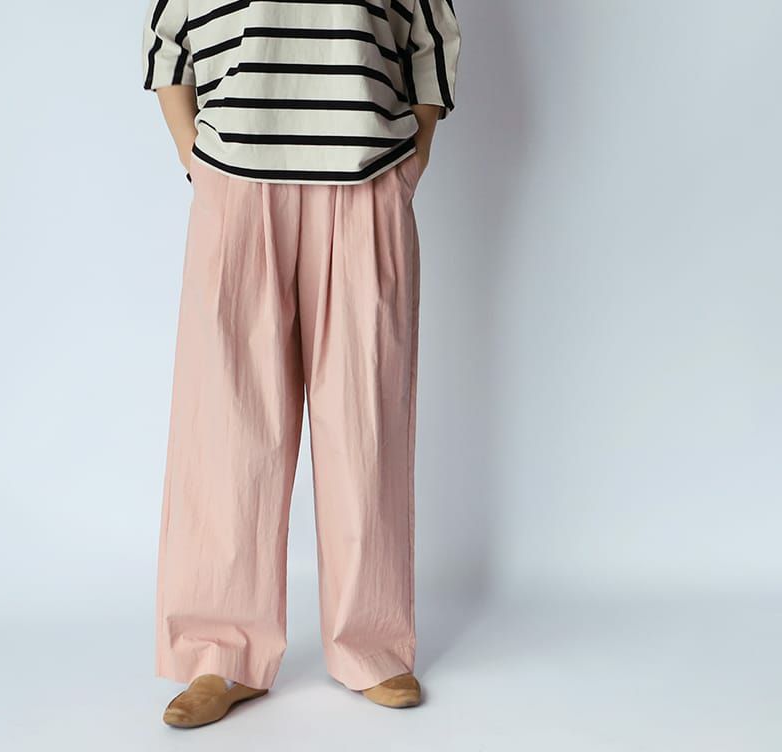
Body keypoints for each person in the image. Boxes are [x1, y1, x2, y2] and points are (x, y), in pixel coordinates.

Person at [142, 0, 460, 728]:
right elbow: (167, 37)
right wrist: (196, 157)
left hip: (366, 179)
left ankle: (371, 644)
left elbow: (432, 33)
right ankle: (220, 651)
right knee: (227, 429)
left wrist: (412, 159)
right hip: (236, 184)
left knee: (364, 421)